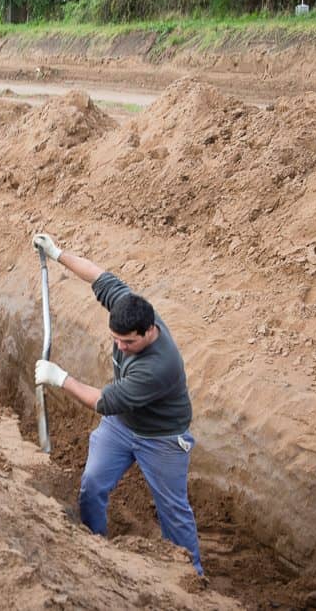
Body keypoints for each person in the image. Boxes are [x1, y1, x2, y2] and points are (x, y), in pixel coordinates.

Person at [31, 233, 204, 577]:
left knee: (173, 510)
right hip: (122, 426)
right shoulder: (128, 306)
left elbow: (103, 401)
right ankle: (96, 548)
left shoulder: (158, 366)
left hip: (161, 438)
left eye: (128, 342)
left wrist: (60, 377)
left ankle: (192, 576)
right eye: (115, 339)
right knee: (92, 485)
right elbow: (97, 275)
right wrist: (57, 253)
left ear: (150, 331)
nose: (120, 348)